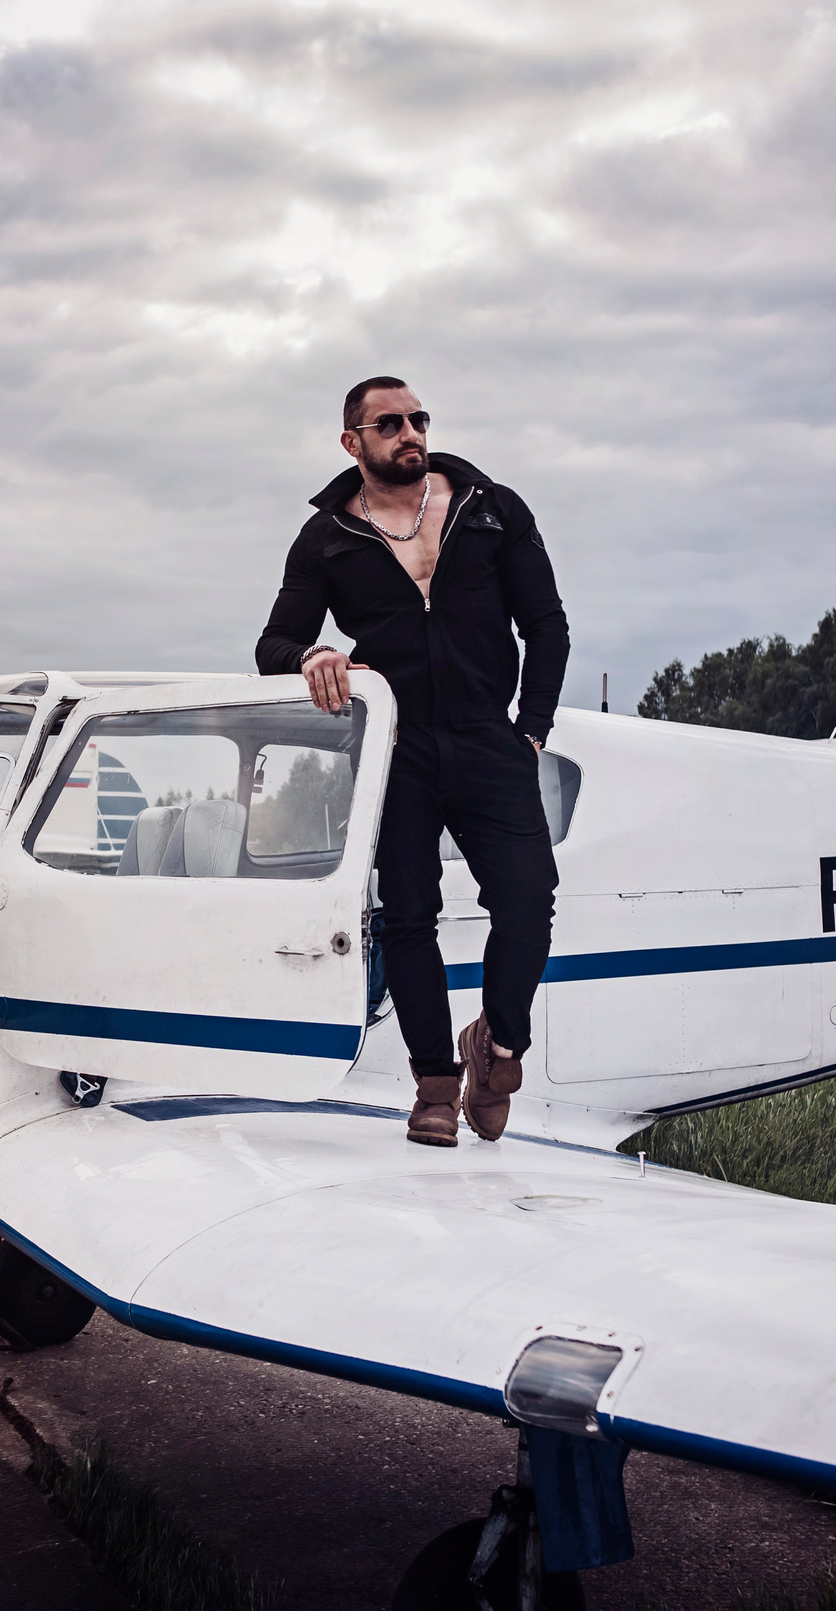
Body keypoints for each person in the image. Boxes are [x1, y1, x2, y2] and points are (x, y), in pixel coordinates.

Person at [257, 377, 568, 1146]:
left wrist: (530, 729)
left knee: (529, 900)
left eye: (418, 418)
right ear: (352, 442)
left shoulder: (491, 507)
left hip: (489, 735)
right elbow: (272, 647)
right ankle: (434, 1081)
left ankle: (498, 1052)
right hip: (395, 745)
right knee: (407, 915)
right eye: (388, 422)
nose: (410, 431)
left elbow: (548, 626)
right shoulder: (327, 537)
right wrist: (315, 653)